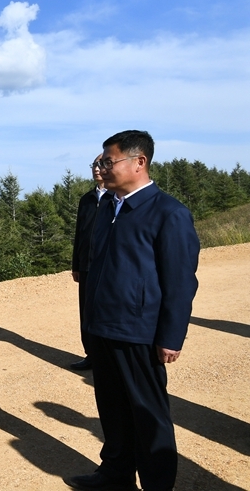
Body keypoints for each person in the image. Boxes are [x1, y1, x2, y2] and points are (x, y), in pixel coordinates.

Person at [64, 131, 200, 491]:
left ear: (139, 162)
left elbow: (181, 282)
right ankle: (115, 474)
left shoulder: (168, 213)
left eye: (109, 161)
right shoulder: (107, 208)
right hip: (102, 327)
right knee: (112, 409)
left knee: (148, 416)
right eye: (101, 162)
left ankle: (157, 484)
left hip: (139, 332)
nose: (103, 168)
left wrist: (171, 336)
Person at [69, 155, 108, 371]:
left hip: (107, 267)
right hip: (86, 266)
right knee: (86, 313)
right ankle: (90, 355)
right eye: (94, 165)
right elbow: (79, 234)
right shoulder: (86, 199)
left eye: (101, 164)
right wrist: (76, 264)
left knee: (105, 311)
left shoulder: (117, 198)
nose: (96, 168)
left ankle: (107, 357)